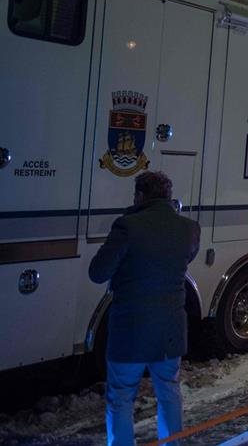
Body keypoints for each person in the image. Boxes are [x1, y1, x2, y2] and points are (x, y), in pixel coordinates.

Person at [88, 171, 200, 446]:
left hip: (131, 333)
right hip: (170, 333)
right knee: (169, 393)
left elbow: (98, 272)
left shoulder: (127, 226)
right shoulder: (189, 229)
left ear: (140, 195)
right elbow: (187, 257)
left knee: (121, 397)